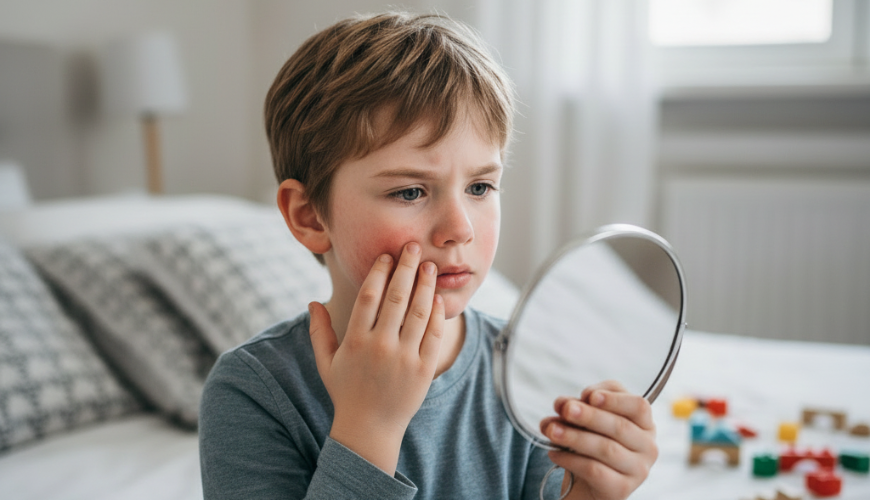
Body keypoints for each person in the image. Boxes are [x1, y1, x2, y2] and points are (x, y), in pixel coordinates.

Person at [199, 11, 657, 500]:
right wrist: (370, 424)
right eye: (411, 192)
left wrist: (589, 495)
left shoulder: (523, 371)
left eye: (480, 186)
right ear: (310, 216)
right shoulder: (251, 392)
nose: (460, 229)